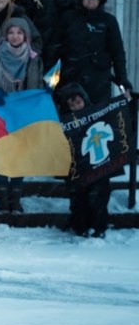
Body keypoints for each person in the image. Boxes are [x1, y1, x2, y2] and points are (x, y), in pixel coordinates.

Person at [0, 18, 44, 213]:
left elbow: (37, 82)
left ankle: (16, 196)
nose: (15, 36)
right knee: (2, 153)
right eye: (11, 32)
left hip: (23, 112)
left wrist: (39, 95)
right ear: (5, 35)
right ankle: (2, 196)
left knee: (20, 154)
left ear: (26, 36)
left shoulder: (34, 58)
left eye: (19, 33)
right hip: (0, 110)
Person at [48, 0, 130, 105]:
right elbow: (54, 49)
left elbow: (117, 53)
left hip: (99, 82)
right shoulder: (68, 18)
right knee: (71, 118)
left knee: (98, 119)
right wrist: (50, 81)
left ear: (100, 0)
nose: (90, 1)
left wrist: (122, 80)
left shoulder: (108, 21)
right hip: (70, 80)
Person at [58, 82, 111, 238]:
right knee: (78, 198)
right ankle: (79, 226)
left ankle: (98, 226)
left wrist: (124, 100)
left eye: (78, 101)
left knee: (98, 197)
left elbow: (114, 118)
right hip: (77, 167)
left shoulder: (98, 113)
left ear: (84, 99)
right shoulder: (65, 121)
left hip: (99, 163)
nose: (75, 105)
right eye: (71, 103)